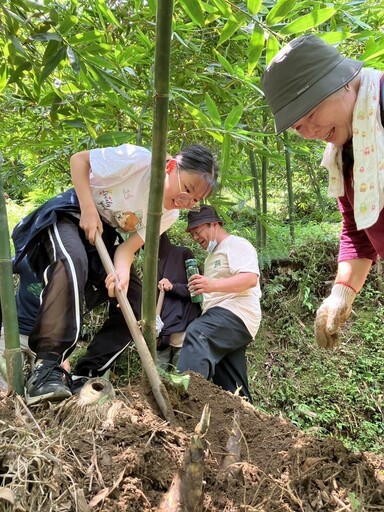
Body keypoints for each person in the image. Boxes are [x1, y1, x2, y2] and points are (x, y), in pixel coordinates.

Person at [12, 143, 218, 405]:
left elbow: (127, 249)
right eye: (187, 189)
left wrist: (120, 273)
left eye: (195, 201)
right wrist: (88, 209)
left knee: (134, 300)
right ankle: (47, 368)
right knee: (72, 262)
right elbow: (79, 160)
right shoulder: (140, 160)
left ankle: (86, 374)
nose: (185, 201)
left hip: (106, 237)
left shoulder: (169, 215)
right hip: (71, 213)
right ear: (170, 167)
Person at [261, 34, 384, 349]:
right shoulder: (346, 152)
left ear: (341, 81)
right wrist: (340, 295)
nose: (311, 132)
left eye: (312, 112)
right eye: (298, 127)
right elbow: (359, 229)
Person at [177, 205, 261, 402]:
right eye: (192, 234)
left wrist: (211, 284)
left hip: (236, 313)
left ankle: (185, 398)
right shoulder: (211, 257)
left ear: (214, 224)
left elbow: (250, 279)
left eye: (197, 231)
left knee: (198, 333)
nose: (195, 238)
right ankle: (242, 424)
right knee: (231, 387)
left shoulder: (236, 244)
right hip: (225, 321)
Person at [156, 232, 201, 371]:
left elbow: (197, 290)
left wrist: (173, 286)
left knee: (180, 378)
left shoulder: (183, 254)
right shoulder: (151, 262)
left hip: (183, 327)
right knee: (158, 377)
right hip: (161, 329)